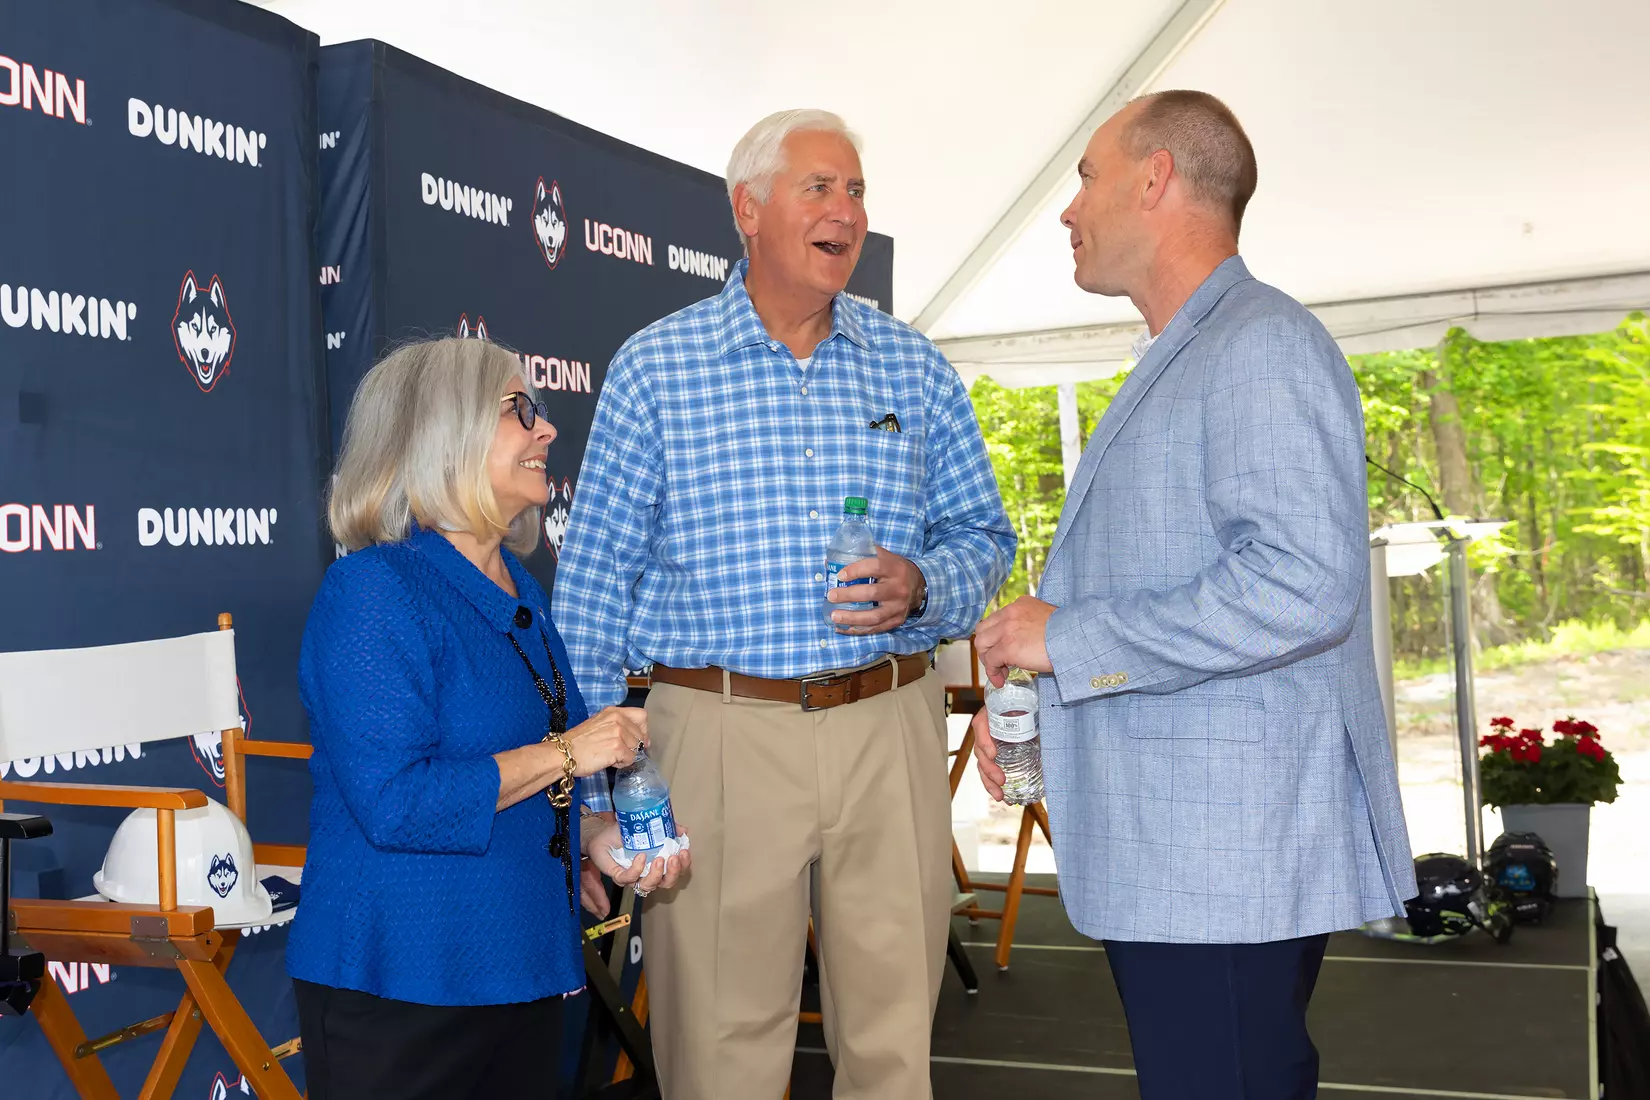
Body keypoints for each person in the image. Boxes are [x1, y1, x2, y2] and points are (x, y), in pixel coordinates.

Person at [554, 109, 1015, 1099]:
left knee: (895, 1042)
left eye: (856, 191)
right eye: (820, 187)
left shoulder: (913, 366)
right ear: (747, 208)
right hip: (719, 730)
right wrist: (594, 798)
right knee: (719, 1049)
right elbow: (591, 588)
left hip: (890, 721)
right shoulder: (657, 368)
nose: (846, 211)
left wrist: (927, 584)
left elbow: (987, 533)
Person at [970, 91, 1417, 1100]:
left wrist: (1068, 636)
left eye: (1085, 176)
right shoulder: (1192, 351)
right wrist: (1041, 696)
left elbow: (1303, 583)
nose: (1067, 208)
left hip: (1224, 866)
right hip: (1193, 861)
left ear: (1156, 178)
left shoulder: (1257, 344)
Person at [288, 337, 690, 1100]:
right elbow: (397, 803)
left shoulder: (520, 592)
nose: (547, 431)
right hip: (405, 981)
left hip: (523, 965)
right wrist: (569, 752)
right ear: (446, 431)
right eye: (521, 412)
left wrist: (593, 837)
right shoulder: (372, 592)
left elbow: (515, 776)